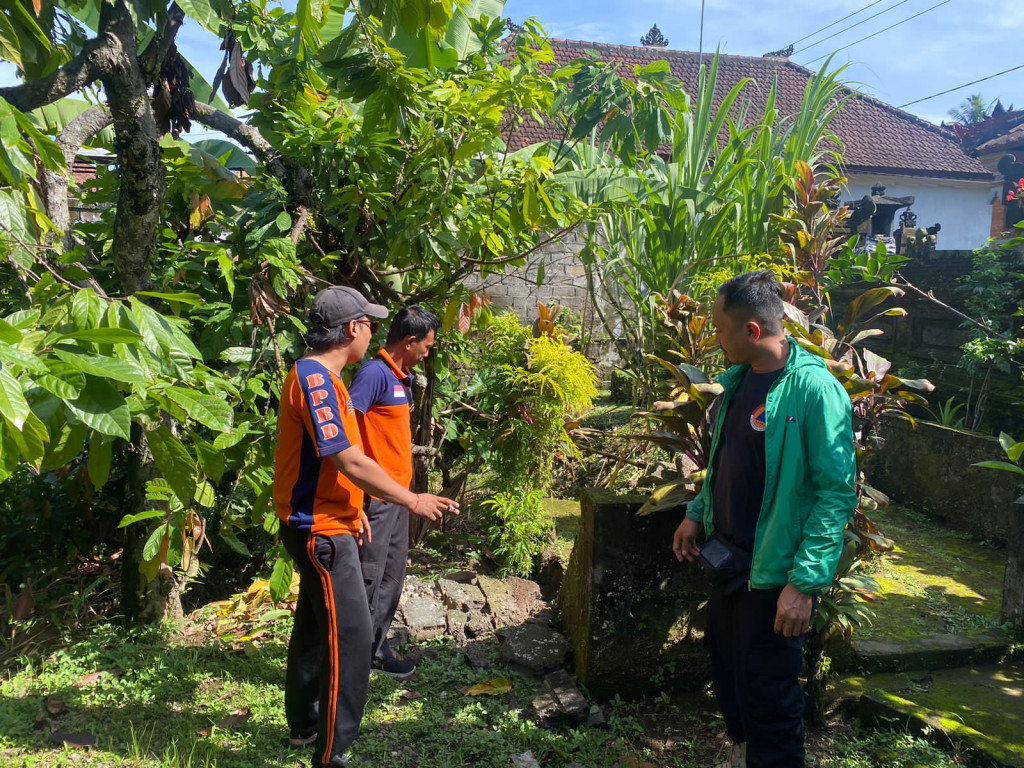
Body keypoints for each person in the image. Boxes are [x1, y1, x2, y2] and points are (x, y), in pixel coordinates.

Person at [670, 271, 856, 768]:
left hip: (774, 576)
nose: (715, 338)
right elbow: (726, 460)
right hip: (728, 561)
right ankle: (742, 756)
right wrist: (695, 514)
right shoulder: (738, 381)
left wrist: (806, 583)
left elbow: (834, 495)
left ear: (751, 331)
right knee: (730, 676)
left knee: (770, 698)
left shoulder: (816, 391)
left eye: (720, 328)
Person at [272, 285, 459, 768]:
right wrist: (412, 498)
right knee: (351, 639)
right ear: (353, 329)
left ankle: (305, 725)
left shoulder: (325, 378)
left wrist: (355, 511)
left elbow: (333, 465)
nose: (374, 331)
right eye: (370, 323)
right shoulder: (315, 378)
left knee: (315, 626)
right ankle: (331, 754)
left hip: (330, 522)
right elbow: (349, 460)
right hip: (319, 530)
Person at [348, 305, 439, 680]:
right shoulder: (374, 375)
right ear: (410, 341)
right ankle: (353, 653)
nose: (428, 353)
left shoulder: (401, 378)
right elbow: (345, 430)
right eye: (427, 346)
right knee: (369, 574)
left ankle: (376, 648)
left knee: (392, 574)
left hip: (398, 497)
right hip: (376, 500)